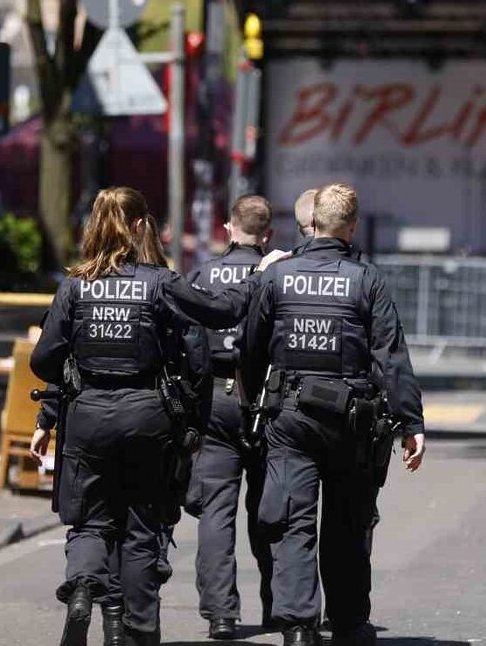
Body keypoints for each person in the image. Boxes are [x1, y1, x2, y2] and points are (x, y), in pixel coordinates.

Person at [30, 187, 276, 646]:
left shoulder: (75, 285)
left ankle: (84, 584)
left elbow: (45, 361)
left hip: (87, 417)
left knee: (90, 521)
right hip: (147, 416)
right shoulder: (160, 283)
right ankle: (138, 631)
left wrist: (50, 413)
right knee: (143, 527)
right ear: (141, 226)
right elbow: (220, 315)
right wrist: (259, 273)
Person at [243, 183, 426, 646]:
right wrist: (411, 423)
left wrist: (252, 405)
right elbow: (391, 356)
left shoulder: (276, 277)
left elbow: (252, 347)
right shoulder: (367, 280)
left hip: (289, 416)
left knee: (291, 520)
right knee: (347, 525)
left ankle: (299, 625)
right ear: (350, 226)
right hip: (351, 420)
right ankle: (348, 623)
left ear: (313, 222)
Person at [184, 195, 277, 640]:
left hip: (212, 399)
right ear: (269, 234)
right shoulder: (276, 272)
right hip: (263, 399)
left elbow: (182, 336)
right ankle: (279, 605)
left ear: (227, 228)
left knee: (216, 511)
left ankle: (221, 614)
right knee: (271, 507)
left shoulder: (202, 273)